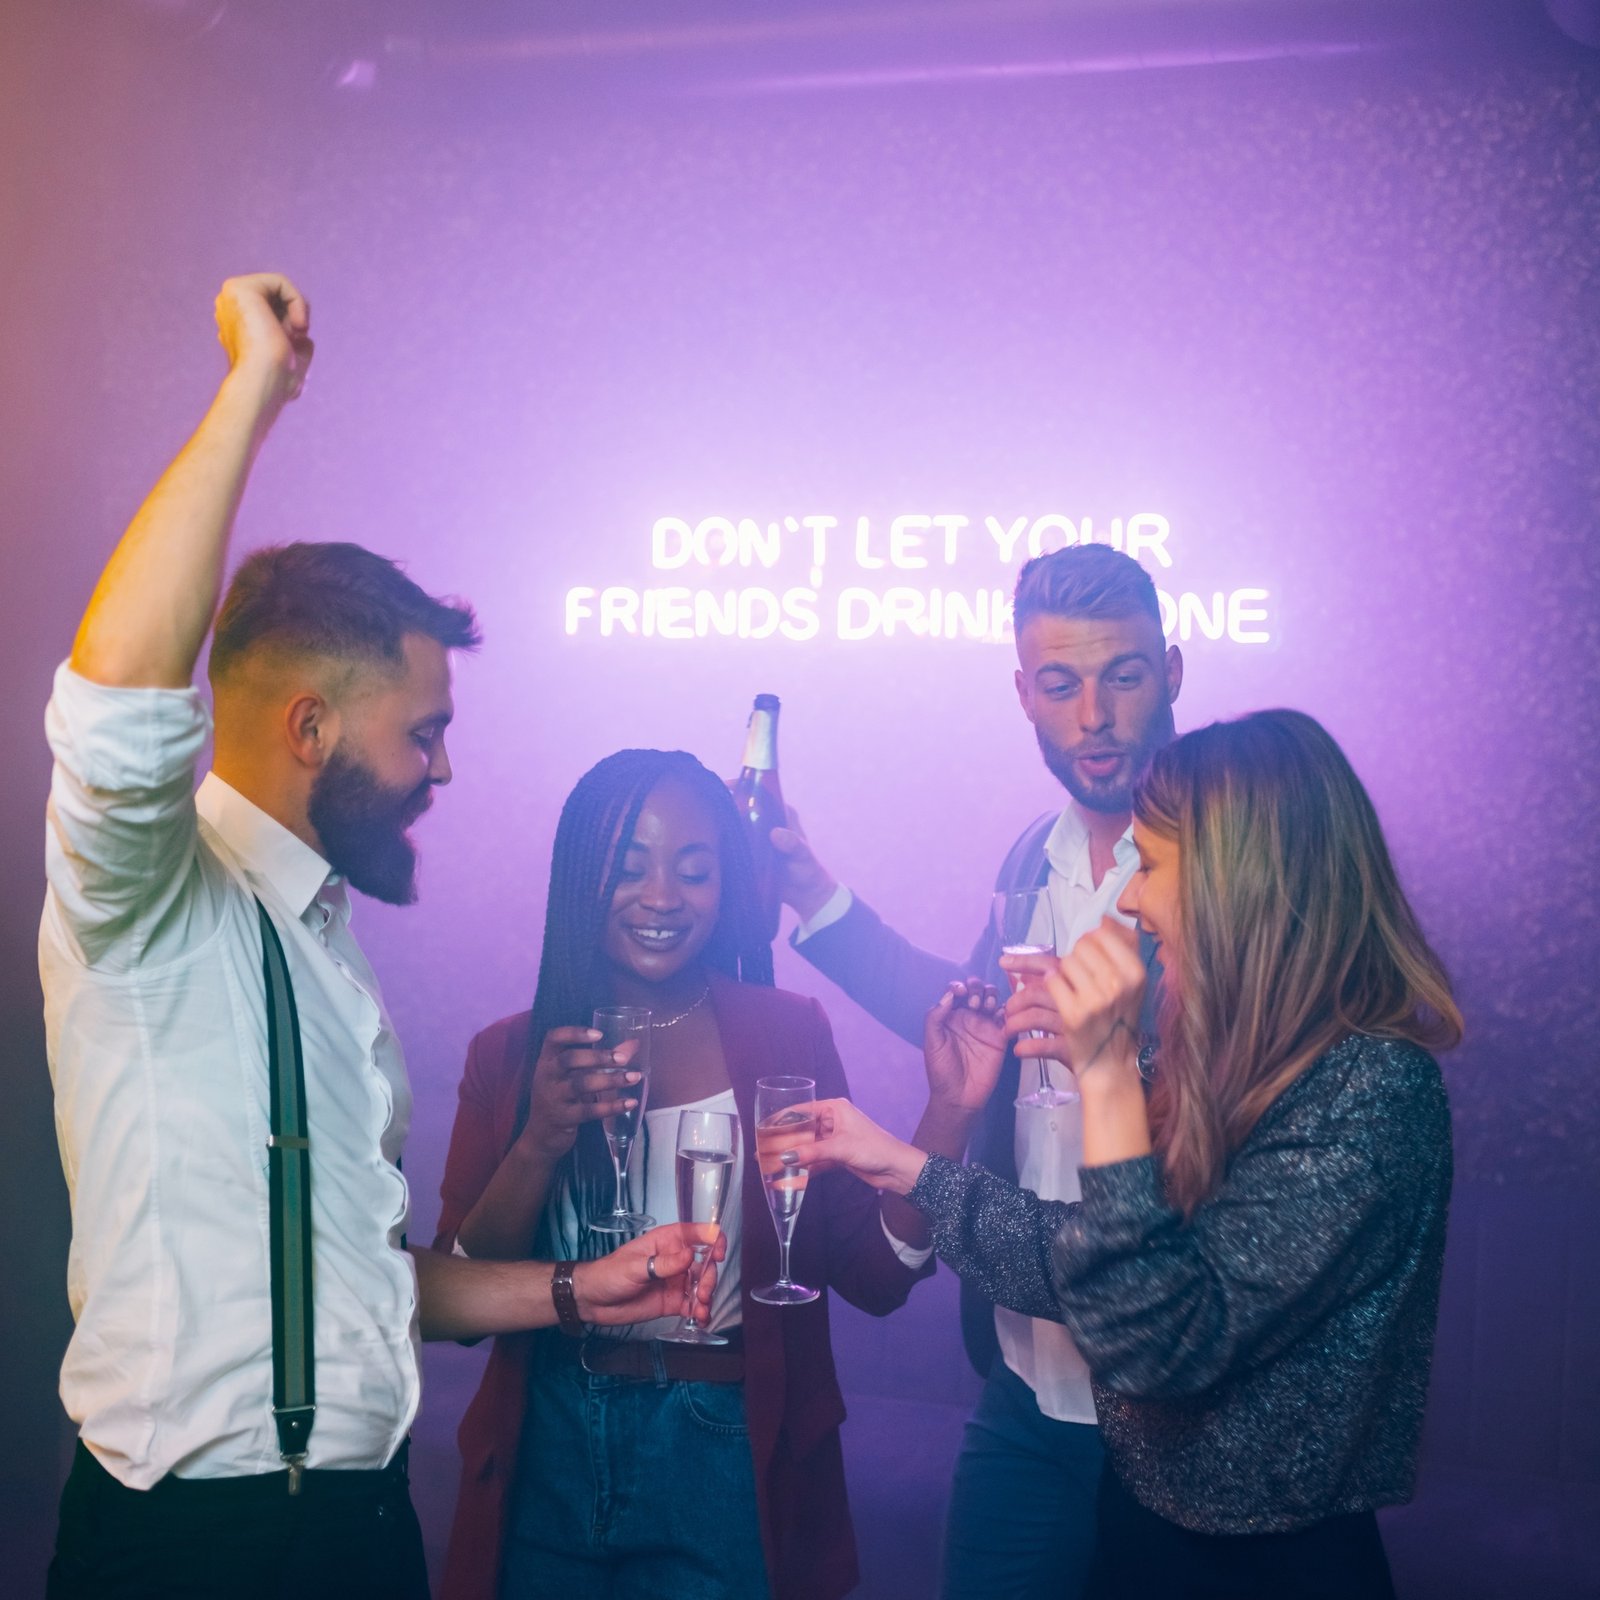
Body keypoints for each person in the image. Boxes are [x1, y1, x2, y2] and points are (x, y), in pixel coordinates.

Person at [41, 273, 711, 1600]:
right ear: (309, 728)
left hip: (358, 1530)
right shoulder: (142, 903)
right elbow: (118, 690)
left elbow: (364, 1287)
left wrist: (583, 1292)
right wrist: (251, 390)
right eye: (423, 731)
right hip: (191, 1543)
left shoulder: (326, 946)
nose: (443, 772)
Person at [790, 708, 1461, 1600]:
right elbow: (1092, 1260)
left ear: (1240, 880)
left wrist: (1106, 1075)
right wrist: (898, 1160)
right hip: (1143, 1525)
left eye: (1148, 865)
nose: (1132, 898)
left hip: (1271, 1563)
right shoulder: (1213, 1059)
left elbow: (1154, 1345)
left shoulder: (1372, 1089)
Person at [432, 748, 942, 1600]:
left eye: (694, 871)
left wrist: (952, 1111)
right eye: (628, 869)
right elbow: (455, 1300)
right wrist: (540, 1137)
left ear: (729, 886)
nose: (663, 897)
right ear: (578, 880)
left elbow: (877, 1275)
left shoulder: (786, 1035)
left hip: (723, 1444)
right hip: (548, 1438)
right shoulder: (509, 1053)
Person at [772, 542, 1183, 1599]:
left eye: (1121, 676)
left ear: (1171, 673)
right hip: (1020, 1384)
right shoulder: (1027, 859)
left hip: (1179, 1404)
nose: (1091, 712)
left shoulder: (1227, 863)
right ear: (1023, 695)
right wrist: (810, 889)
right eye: (1059, 683)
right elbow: (967, 1026)